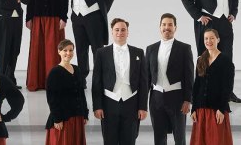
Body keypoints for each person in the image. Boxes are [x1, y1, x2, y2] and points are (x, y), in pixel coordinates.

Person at [180, 0, 241, 103]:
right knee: (204, 58)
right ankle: (199, 93)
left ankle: (227, 92)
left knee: (227, 58)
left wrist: (233, 13)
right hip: (208, 21)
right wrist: (198, 16)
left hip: (225, 22)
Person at [92, 18, 149, 145]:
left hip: (131, 103)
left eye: (123, 30)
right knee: (109, 141)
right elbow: (97, 82)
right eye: (117, 30)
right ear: (112, 32)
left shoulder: (138, 52)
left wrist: (143, 107)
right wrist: (97, 106)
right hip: (108, 104)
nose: (120, 32)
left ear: (128, 32)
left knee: (129, 140)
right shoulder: (101, 53)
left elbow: (143, 82)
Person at [146, 13, 193, 145]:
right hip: (156, 99)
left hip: (177, 99)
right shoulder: (150, 49)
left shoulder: (184, 48)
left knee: (180, 138)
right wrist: (142, 104)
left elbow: (189, 76)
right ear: (160, 27)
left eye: (170, 25)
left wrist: (188, 100)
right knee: (159, 138)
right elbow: (146, 78)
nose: (167, 27)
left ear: (175, 28)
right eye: (164, 24)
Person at [189, 29, 233, 145]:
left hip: (217, 110)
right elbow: (197, 85)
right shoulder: (200, 60)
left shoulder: (226, 61)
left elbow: (227, 88)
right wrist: (194, 108)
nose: (209, 41)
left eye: (212, 38)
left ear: (218, 40)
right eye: (206, 38)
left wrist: (221, 109)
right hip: (201, 109)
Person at [25, 0, 68, 91]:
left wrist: (63, 17)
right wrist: (28, 18)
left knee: (52, 51)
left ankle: (53, 82)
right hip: (37, 19)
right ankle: (37, 82)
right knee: (37, 50)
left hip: (54, 19)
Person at [44, 39, 89, 145]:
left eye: (71, 50)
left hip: (78, 117)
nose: (68, 53)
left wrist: (85, 114)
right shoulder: (54, 73)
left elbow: (81, 94)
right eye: (65, 50)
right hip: (63, 119)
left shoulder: (77, 69)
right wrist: (57, 119)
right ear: (59, 52)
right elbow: (52, 99)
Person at [69, 0, 114, 80]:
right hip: (76, 16)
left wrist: (100, 12)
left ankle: (99, 79)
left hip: (94, 15)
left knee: (97, 49)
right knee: (80, 49)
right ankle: (82, 79)